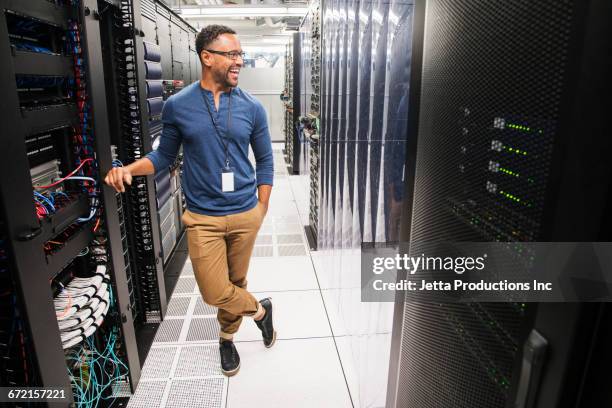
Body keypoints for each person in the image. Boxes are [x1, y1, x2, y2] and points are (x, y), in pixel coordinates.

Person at [104, 24, 275, 377]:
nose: (238, 61)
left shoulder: (252, 107)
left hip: (245, 213)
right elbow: (163, 156)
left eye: (240, 54)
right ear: (207, 57)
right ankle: (260, 311)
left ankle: (227, 339)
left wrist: (261, 209)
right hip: (202, 217)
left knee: (236, 283)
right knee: (215, 291)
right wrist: (129, 169)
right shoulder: (177, 106)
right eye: (231, 54)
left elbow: (266, 161)